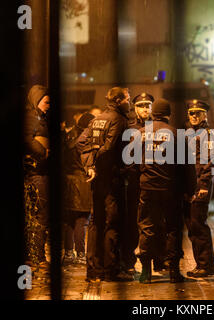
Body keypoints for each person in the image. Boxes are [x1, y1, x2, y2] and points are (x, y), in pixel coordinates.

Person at [77, 87, 132, 282]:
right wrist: (99, 165)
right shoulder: (118, 120)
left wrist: (90, 165)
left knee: (95, 223)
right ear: (118, 100)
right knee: (112, 223)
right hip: (111, 179)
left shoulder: (97, 118)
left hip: (97, 180)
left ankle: (93, 270)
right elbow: (109, 149)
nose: (130, 102)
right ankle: (111, 270)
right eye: (127, 98)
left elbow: (81, 142)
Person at [136, 98, 191, 283]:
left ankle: (145, 272)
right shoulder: (176, 134)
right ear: (169, 114)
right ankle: (174, 271)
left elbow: (133, 163)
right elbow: (186, 166)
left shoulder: (141, 133)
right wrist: (190, 189)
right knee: (173, 229)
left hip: (148, 187)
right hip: (170, 189)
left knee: (147, 227)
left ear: (153, 113)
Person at [120, 92, 156, 275]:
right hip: (134, 181)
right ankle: (129, 261)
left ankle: (156, 260)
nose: (145, 108)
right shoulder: (129, 128)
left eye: (148, 105)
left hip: (153, 181)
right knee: (132, 223)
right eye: (141, 105)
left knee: (154, 222)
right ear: (135, 108)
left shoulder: (156, 127)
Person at [184, 99, 214, 278]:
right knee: (192, 226)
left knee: (198, 226)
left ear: (205, 114)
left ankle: (206, 266)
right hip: (189, 186)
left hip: (200, 186)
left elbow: (210, 162)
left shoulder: (208, 134)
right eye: (191, 113)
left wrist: (204, 185)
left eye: (198, 112)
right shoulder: (189, 133)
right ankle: (201, 264)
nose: (194, 116)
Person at [62, 112, 95, 265]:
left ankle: (68, 253)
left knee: (68, 220)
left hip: (67, 181)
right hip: (83, 182)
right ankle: (81, 254)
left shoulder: (68, 137)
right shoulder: (86, 140)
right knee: (82, 220)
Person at [24, 84, 50, 266]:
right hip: (36, 172)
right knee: (41, 214)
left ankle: (36, 254)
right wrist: (43, 152)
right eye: (46, 102)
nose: (49, 105)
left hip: (40, 171)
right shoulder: (32, 117)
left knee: (40, 214)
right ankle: (37, 255)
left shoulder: (40, 117)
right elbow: (26, 138)